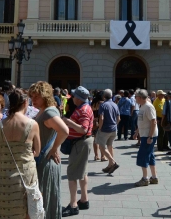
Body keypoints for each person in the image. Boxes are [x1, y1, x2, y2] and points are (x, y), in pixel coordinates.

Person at [0, 88, 41, 219]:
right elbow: (37, 151)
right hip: (25, 173)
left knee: (5, 211)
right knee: (27, 210)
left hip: (4, 174)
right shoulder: (32, 124)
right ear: (26, 102)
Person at [29, 81, 70, 219]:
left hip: (45, 161)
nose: (33, 99)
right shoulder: (44, 111)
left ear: (45, 96)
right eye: (32, 96)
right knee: (45, 197)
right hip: (44, 160)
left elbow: (64, 130)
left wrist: (54, 148)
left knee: (45, 198)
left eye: (36, 96)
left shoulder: (48, 112)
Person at [61, 86, 94, 217]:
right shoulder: (83, 108)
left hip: (80, 143)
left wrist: (68, 122)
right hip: (81, 143)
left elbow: (83, 129)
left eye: (74, 96)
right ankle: (84, 200)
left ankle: (73, 205)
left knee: (73, 173)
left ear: (79, 98)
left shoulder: (84, 110)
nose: (72, 97)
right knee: (82, 172)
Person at [134, 89, 159, 186]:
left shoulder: (148, 107)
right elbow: (142, 121)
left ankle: (145, 179)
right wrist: (137, 132)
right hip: (144, 134)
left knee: (143, 155)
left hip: (148, 135)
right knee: (150, 155)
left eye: (136, 96)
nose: (135, 98)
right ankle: (154, 177)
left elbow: (153, 121)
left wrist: (150, 136)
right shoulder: (143, 106)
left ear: (139, 97)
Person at [96, 89, 120, 174]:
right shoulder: (115, 104)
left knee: (102, 147)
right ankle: (110, 165)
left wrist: (100, 127)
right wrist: (115, 125)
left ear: (103, 96)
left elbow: (101, 118)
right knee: (110, 145)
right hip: (114, 128)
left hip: (105, 129)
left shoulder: (103, 105)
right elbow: (118, 118)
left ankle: (112, 162)